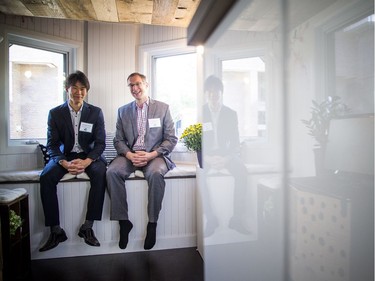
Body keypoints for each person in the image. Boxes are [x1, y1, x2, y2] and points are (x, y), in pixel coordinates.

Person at [106, 72, 177, 250]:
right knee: (112, 172)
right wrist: (129, 155)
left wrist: (152, 154)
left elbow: (171, 139)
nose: (135, 88)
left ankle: (152, 224)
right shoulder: (123, 111)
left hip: (155, 156)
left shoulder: (163, 108)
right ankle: (124, 222)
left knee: (155, 173)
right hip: (131, 155)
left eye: (138, 84)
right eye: (131, 85)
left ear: (146, 85)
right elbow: (118, 140)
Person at [39, 70, 107, 252]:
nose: (79, 92)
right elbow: (52, 145)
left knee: (101, 173)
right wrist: (63, 163)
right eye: (74, 88)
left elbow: (100, 143)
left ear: (87, 90)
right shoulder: (55, 113)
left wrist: (87, 161)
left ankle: (88, 227)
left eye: (83, 88)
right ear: (66, 89)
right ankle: (55, 231)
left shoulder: (96, 112)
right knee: (46, 176)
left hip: (89, 155)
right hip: (65, 156)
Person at [202, 75, 250, 236]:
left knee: (242, 172)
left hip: (225, 155)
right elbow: (194, 142)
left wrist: (226, 159)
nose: (213, 95)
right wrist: (207, 159)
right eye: (210, 92)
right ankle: (211, 219)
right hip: (207, 155)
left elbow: (236, 143)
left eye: (216, 92)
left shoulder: (230, 113)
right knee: (198, 174)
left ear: (221, 93)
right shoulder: (200, 113)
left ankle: (236, 219)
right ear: (206, 93)